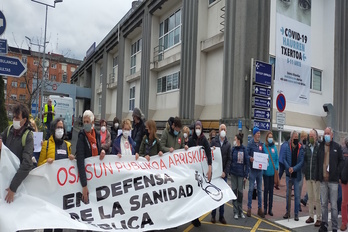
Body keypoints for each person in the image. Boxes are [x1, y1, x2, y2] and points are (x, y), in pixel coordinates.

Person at [0, 103, 34, 203]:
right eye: (14, 117)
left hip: (16, 183)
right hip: (4, 176)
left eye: (17, 118)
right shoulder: (9, 130)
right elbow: (1, 137)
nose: (14, 120)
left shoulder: (28, 137)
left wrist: (13, 187)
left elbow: (27, 164)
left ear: (24, 120)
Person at [316, 127, 343, 232]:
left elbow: (342, 160)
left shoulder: (337, 147)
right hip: (323, 180)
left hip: (333, 181)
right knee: (323, 205)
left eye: (328, 133)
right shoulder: (321, 147)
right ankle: (325, 225)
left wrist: (337, 171)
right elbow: (318, 161)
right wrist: (317, 176)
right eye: (325, 133)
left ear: (332, 135)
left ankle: (335, 227)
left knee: (334, 205)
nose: (326, 135)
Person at [76, 110, 106, 204]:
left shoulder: (96, 134)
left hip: (96, 175)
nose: (85, 124)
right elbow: (80, 161)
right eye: (84, 122)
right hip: (87, 176)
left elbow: (99, 148)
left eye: (87, 122)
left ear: (92, 123)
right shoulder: (81, 137)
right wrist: (84, 185)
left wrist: (102, 151)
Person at [188, 120, 212, 227]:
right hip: (192, 171)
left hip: (201, 172)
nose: (198, 129)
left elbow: (208, 153)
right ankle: (193, 217)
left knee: (200, 194)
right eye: (196, 127)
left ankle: (197, 215)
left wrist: (210, 166)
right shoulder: (191, 140)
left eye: (199, 127)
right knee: (193, 194)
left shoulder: (204, 140)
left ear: (201, 129)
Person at [210, 124, 231, 224]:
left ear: (226, 131)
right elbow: (209, 155)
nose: (223, 131)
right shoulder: (214, 141)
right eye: (221, 129)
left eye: (224, 129)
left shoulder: (228, 144)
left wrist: (225, 172)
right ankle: (213, 216)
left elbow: (229, 160)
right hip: (215, 174)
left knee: (222, 196)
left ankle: (221, 216)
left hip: (223, 174)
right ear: (219, 131)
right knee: (214, 195)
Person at [282, 130, 304, 221]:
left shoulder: (301, 148)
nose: (296, 139)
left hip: (297, 175)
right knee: (288, 194)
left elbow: (302, 162)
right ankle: (287, 211)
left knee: (297, 195)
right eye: (294, 138)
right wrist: (289, 168)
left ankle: (296, 214)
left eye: (297, 138)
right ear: (291, 138)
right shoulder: (287, 147)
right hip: (289, 175)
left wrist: (294, 169)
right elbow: (284, 159)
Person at [303, 129, 321, 227]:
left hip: (316, 177)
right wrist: (305, 171)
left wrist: (318, 175)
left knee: (317, 198)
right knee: (310, 197)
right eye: (310, 136)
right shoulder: (307, 147)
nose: (311, 138)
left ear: (316, 137)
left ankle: (319, 217)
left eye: (313, 136)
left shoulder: (319, 147)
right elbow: (305, 160)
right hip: (308, 176)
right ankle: (311, 216)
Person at [247, 127, 265, 218]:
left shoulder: (261, 144)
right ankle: (249, 208)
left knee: (259, 190)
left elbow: (264, 154)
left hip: (259, 170)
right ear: (254, 134)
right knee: (250, 189)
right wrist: (250, 158)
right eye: (257, 133)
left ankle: (259, 209)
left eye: (259, 133)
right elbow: (246, 154)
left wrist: (266, 158)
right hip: (253, 170)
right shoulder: (250, 144)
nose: (259, 135)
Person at [230, 132, 249, 219]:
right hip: (234, 174)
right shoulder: (233, 149)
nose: (234, 141)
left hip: (241, 175)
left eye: (235, 139)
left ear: (238, 140)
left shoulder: (244, 149)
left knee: (240, 193)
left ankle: (240, 211)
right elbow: (230, 160)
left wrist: (246, 175)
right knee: (234, 192)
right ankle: (235, 211)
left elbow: (247, 163)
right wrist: (229, 171)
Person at [263, 131, 278, 216]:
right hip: (265, 173)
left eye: (271, 137)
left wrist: (276, 168)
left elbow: (276, 159)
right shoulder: (264, 147)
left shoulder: (275, 148)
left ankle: (270, 209)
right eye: (269, 137)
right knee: (266, 191)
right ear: (267, 138)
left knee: (271, 191)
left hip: (272, 173)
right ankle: (265, 208)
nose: (270, 138)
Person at [298, 131, 308, 212]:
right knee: (300, 186)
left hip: (307, 168)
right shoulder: (299, 145)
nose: (304, 138)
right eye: (303, 137)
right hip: (301, 168)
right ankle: (298, 204)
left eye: (305, 137)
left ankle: (305, 199)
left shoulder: (308, 145)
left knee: (311, 186)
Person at [340, 136, 348, 231]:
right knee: (344, 203)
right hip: (345, 180)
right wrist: (340, 176)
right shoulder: (343, 151)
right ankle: (344, 222)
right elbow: (340, 164)